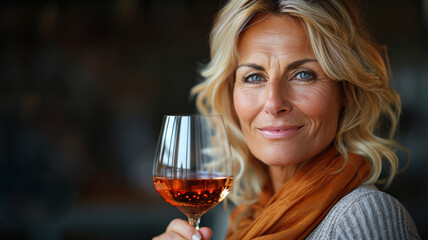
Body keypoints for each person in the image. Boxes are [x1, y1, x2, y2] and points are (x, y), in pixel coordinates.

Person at [153, 0, 421, 239]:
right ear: (231, 96)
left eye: (303, 74)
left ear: (346, 92)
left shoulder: (365, 217)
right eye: (254, 77)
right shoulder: (245, 215)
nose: (273, 103)